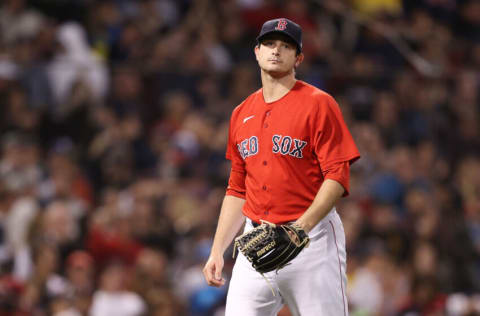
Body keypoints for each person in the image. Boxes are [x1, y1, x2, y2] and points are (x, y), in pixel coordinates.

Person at [202, 17, 360, 316]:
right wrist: (217, 250)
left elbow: (337, 176)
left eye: (286, 46)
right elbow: (237, 188)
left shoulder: (319, 104)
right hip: (255, 242)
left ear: (298, 58)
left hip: (312, 241)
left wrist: (301, 228)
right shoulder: (241, 113)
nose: (277, 51)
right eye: (270, 44)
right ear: (257, 51)